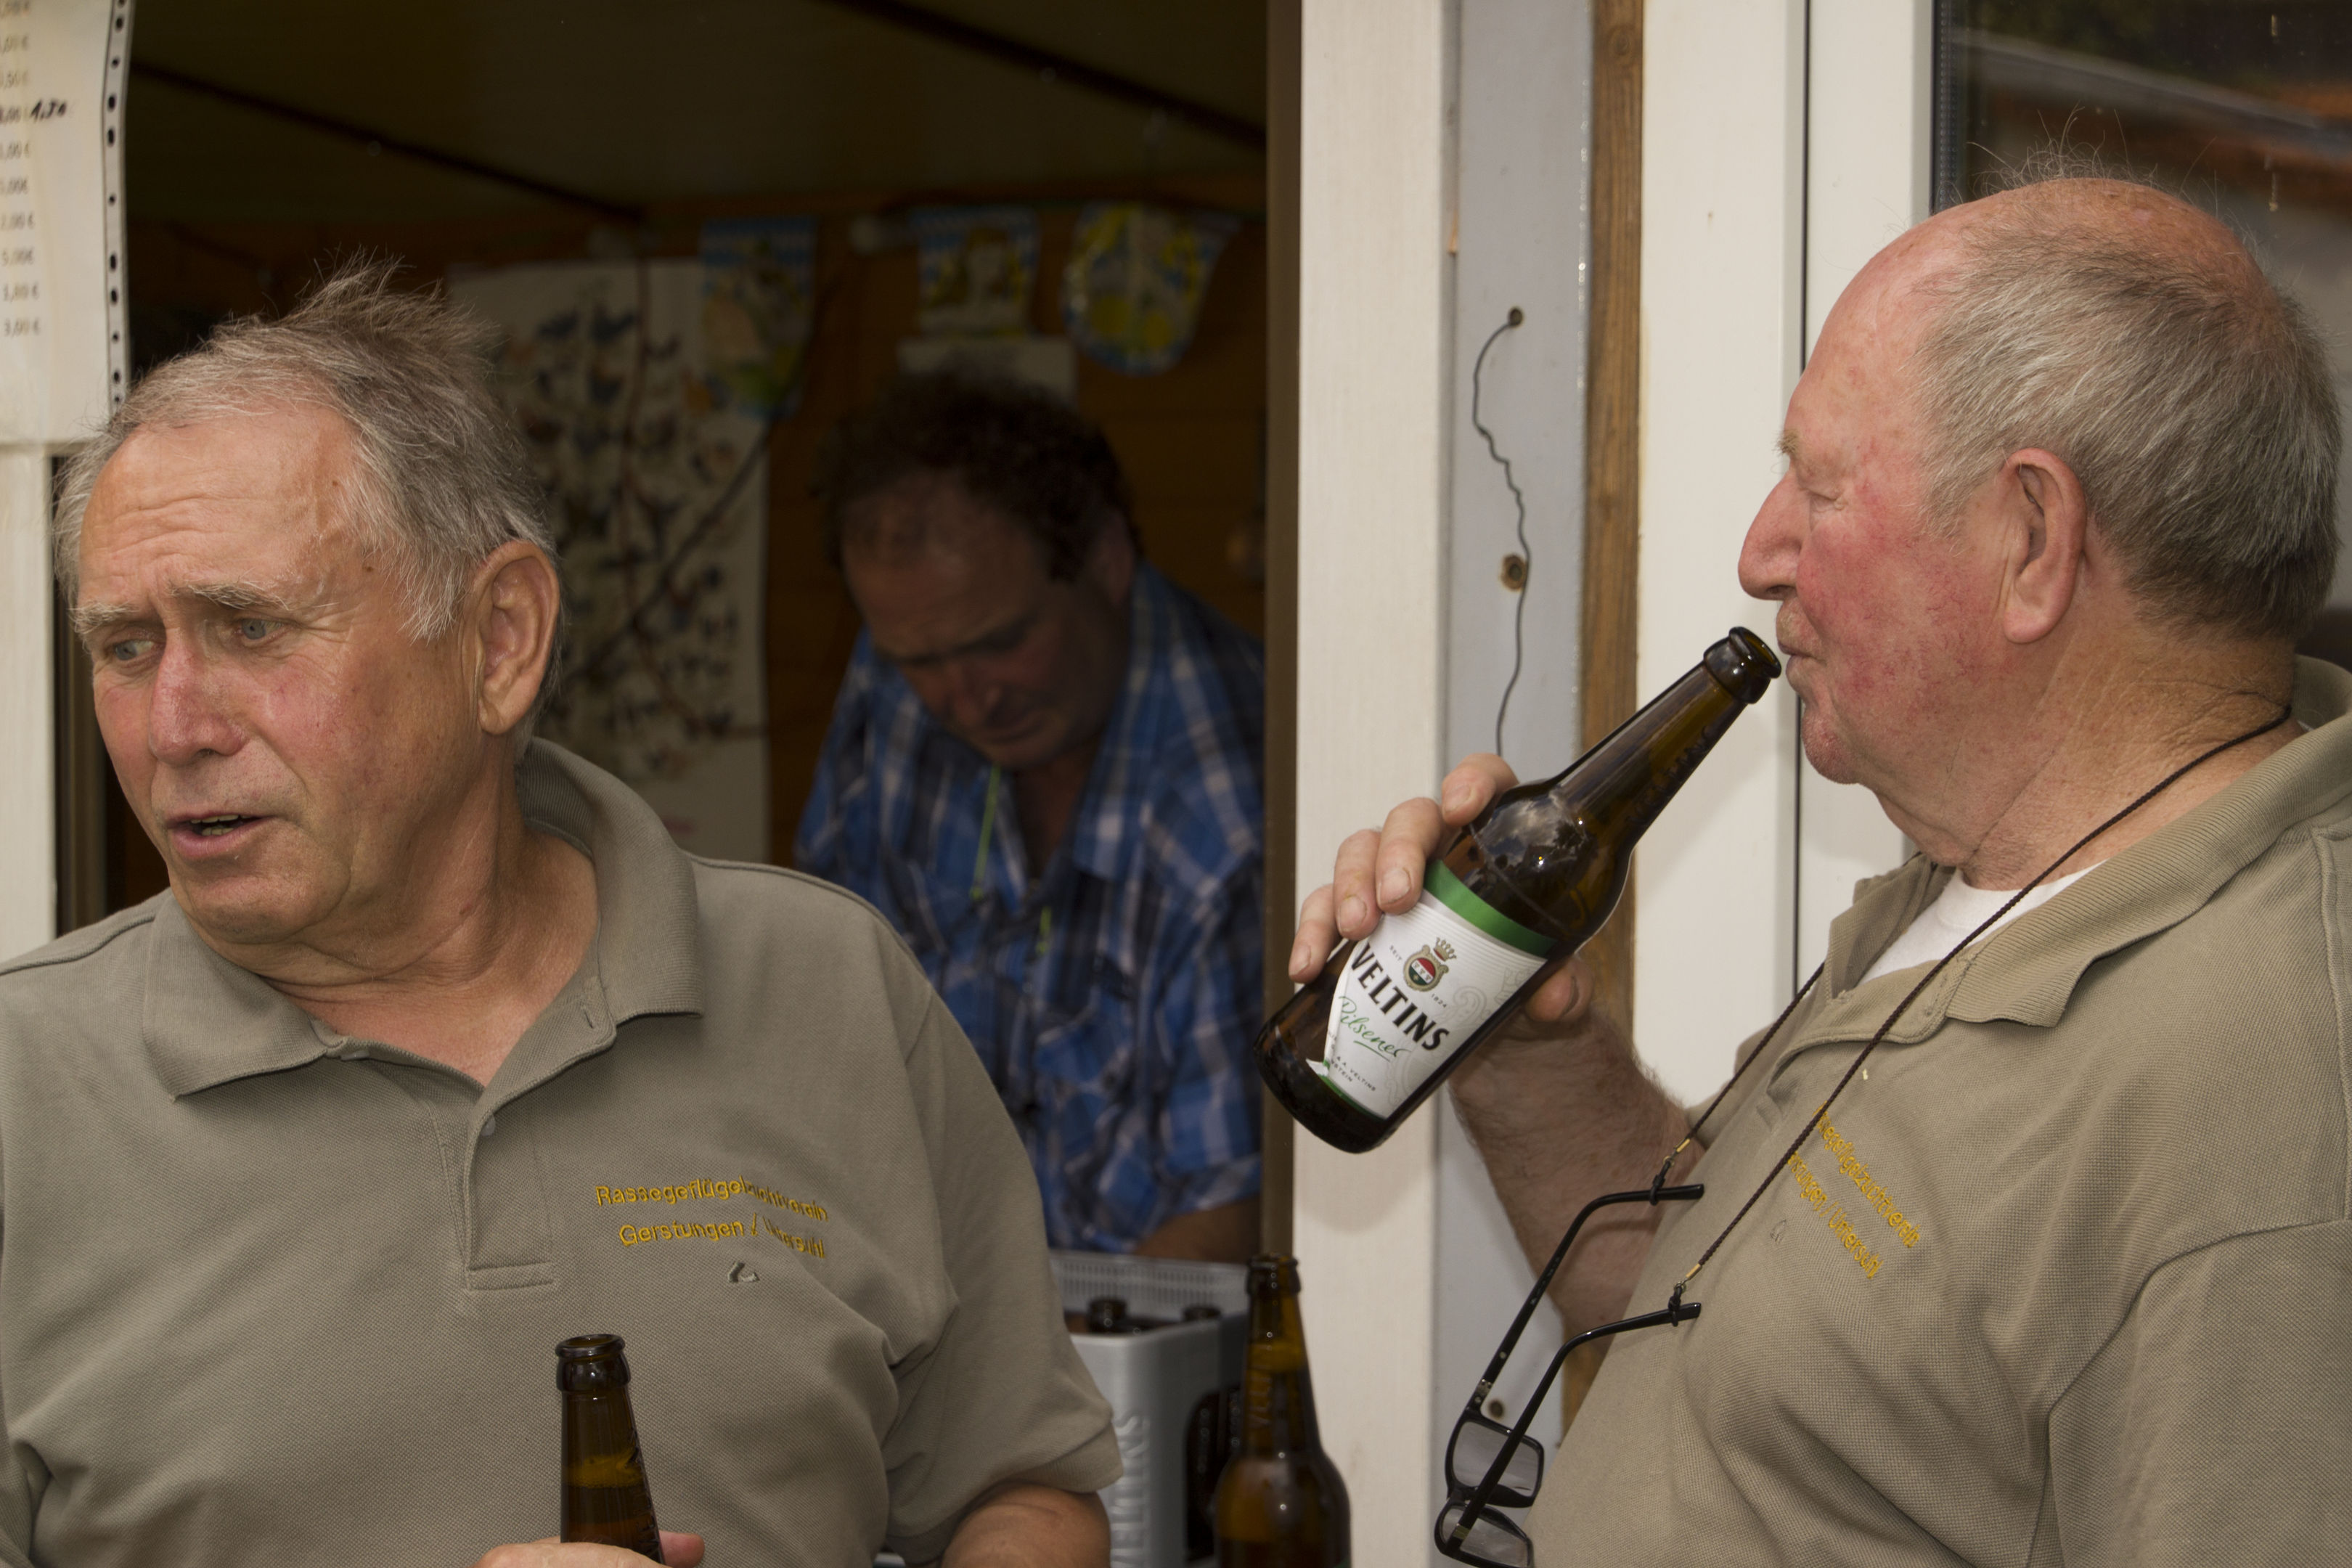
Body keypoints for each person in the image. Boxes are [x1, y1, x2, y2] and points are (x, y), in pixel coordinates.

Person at [1298, 175, 2352, 1561]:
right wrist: (1514, 1037)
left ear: (2032, 540)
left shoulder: (2263, 1098)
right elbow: (1695, 1304)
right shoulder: (1985, 877)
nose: (1759, 552)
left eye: (1821, 482)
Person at [0, 264, 1119, 1568]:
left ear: (500, 640)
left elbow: (1021, 1491)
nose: (173, 727)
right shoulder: (24, 1089)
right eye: (127, 647)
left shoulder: (828, 986)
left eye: (249, 627)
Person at [796, 374, 1265, 1260]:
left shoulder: (1231, 816)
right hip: (924, 1288)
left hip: (1139, 1320)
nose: (965, 699)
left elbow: (1227, 1218)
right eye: (919, 659)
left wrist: (1033, 1350)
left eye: (1002, 643)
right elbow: (818, 1010)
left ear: (1106, 562)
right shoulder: (897, 671)